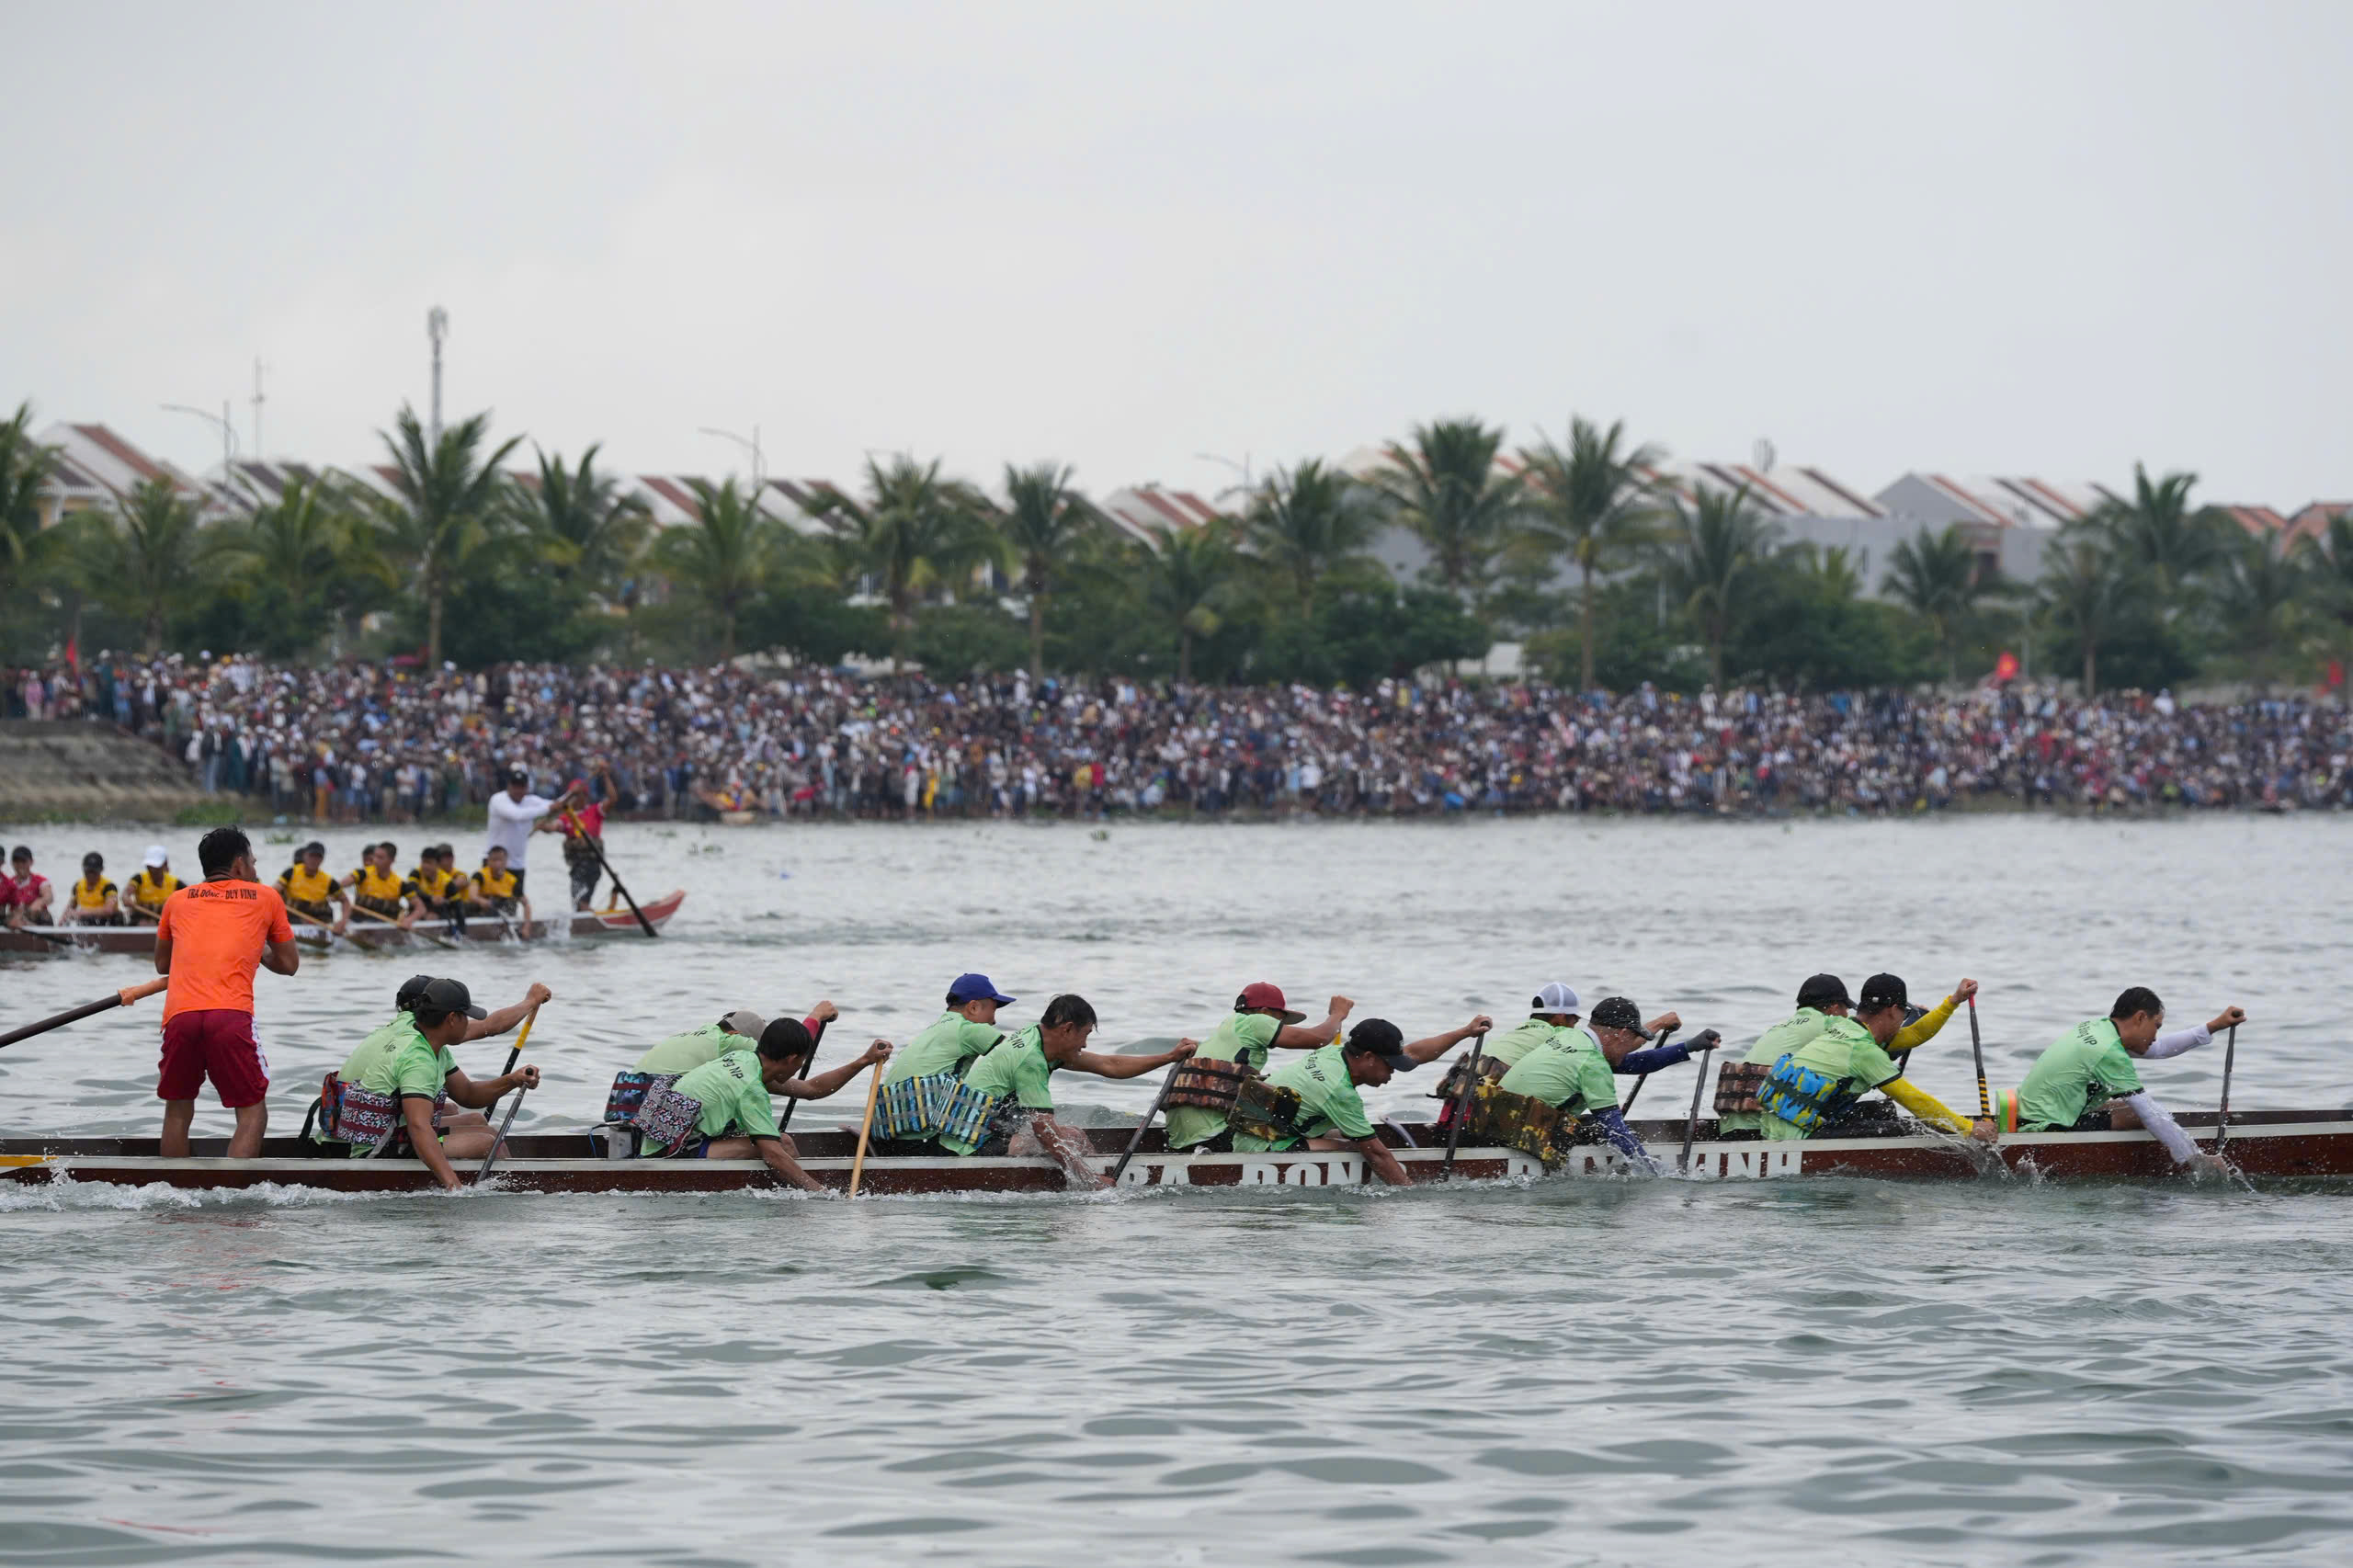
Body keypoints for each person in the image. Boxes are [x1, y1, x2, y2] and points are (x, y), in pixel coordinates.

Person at [935, 994, 1197, 1188]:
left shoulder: (1038, 1037)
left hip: (982, 1131)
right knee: (1071, 1140)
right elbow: (1044, 1131)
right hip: (971, 1145)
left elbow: (1109, 1065)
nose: (1085, 1044)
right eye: (1085, 1034)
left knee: (1073, 1137)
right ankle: (1097, 1186)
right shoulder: (1031, 1060)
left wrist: (1169, 1057)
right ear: (1067, 1029)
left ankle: (1094, 1180)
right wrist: (1088, 1179)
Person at [153, 824, 299, 1159]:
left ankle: (170, 1187)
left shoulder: (176, 900)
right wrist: (259, 949)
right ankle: (234, 1187)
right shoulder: (266, 897)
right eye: (253, 862)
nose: (255, 869)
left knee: (177, 1111)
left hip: (180, 1017)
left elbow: (162, 965)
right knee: (253, 1112)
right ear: (238, 865)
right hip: (231, 1017)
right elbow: (289, 964)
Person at [1996, 988, 2245, 1175]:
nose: (2155, 1035)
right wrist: (2197, 1160)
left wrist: (2215, 1026)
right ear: (2140, 1018)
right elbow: (2150, 1114)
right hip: (2044, 1129)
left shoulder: (2098, 1028)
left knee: (2127, 1107)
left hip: (2033, 1113)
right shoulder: (2109, 1052)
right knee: (2143, 1113)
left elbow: (2159, 1049)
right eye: (2156, 1026)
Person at [631, 1018, 893, 1193]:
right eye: (802, 1061)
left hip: (667, 1141)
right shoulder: (751, 1087)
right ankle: (797, 1196)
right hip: (668, 1155)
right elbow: (773, 1155)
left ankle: (795, 1188)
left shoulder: (744, 1059)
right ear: (791, 1058)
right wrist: (822, 1194)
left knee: (781, 1143)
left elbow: (811, 1089)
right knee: (782, 1147)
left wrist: (864, 1060)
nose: (800, 1067)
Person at [1716, 973, 1981, 1138]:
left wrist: (1952, 1001)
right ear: (1892, 1010)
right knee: (1904, 1130)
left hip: (1776, 1127)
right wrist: (1969, 1129)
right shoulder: (1864, 1051)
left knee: (1882, 1113)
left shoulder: (1840, 1026)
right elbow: (1915, 1100)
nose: (1903, 1021)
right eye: (1903, 1014)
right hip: (1795, 1137)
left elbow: (1914, 1035)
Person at [323, 974, 554, 1149]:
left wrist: (512, 1080)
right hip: (362, 1143)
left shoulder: (395, 1030)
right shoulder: (418, 1041)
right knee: (482, 1139)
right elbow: (489, 1026)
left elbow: (467, 1094)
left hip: (343, 1133)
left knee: (454, 1110)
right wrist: (530, 1002)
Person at [366, 977, 542, 1189]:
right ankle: (516, 1191)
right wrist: (454, 1187)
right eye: (465, 1017)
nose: (468, 1023)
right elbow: (419, 1127)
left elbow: (468, 1094)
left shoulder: (430, 1044)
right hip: (379, 1148)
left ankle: (512, 1187)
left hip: (395, 1135)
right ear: (451, 1019)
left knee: (482, 1125)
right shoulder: (418, 1059)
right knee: (487, 1144)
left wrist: (513, 1080)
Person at [1162, 983, 1357, 1154]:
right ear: (1264, 1013)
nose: (1281, 1026)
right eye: (1279, 1021)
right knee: (1317, 1124)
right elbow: (1319, 1039)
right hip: (1215, 1139)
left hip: (1180, 1142)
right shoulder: (1254, 1022)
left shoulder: (1225, 1032)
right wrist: (1337, 1014)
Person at [1491, 996, 1682, 1171]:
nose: (1628, 1049)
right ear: (1622, 1034)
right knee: (1603, 1129)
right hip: (1518, 1135)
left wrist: (1688, 1048)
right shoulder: (1592, 1063)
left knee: (1591, 1125)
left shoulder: (1565, 1035)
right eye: (1633, 1040)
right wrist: (1652, 1170)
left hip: (1493, 1124)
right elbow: (1615, 1129)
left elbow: (1635, 1063)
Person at [1229, 1017, 1420, 1187]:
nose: (1393, 1072)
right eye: (1390, 1064)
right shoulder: (1339, 1091)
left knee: (1357, 1137)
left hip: (1251, 1134)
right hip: (1262, 1148)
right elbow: (1376, 1155)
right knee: (1358, 1148)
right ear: (1368, 1057)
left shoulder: (1332, 1053)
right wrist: (1409, 1193)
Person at [605, 1001, 838, 1126]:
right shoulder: (733, 1043)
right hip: (651, 1113)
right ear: (736, 1034)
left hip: (624, 1108)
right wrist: (816, 1015)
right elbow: (789, 1048)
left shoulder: (702, 1034)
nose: (765, 1052)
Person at [540, 775, 608, 911]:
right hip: (576, 869)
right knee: (577, 903)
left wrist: (605, 775)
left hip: (592, 866)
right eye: (573, 796)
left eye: (578, 795)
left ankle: (589, 918)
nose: (575, 799)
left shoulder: (594, 811)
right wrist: (543, 826)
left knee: (581, 902)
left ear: (585, 796)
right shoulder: (566, 817)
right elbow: (553, 827)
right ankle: (586, 918)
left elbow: (613, 799)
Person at [486, 764, 554, 888]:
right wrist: (549, 808)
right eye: (515, 786)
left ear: (527, 788)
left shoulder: (531, 801)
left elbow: (559, 803)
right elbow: (517, 815)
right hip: (495, 865)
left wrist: (574, 792)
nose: (518, 790)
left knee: (515, 901)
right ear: (509, 786)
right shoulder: (498, 800)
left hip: (518, 866)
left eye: (521, 787)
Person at [275, 841, 350, 935]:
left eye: (318, 857)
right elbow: (274, 891)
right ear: (304, 856)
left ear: (322, 860)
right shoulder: (291, 873)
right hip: (293, 919)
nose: (314, 860)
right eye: (311, 856)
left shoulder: (328, 881)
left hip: (319, 922)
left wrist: (343, 921)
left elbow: (345, 901)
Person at [341, 841, 420, 931]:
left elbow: (420, 908)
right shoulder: (362, 873)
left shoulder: (400, 884)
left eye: (380, 857)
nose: (375, 860)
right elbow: (340, 885)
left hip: (385, 927)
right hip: (359, 925)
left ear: (392, 860)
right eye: (375, 856)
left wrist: (409, 920)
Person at [468, 845, 532, 927]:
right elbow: (472, 896)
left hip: (503, 910)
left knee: (510, 902)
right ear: (488, 861)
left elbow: (526, 905)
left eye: (500, 860)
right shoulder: (479, 875)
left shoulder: (512, 881)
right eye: (494, 860)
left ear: (506, 862)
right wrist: (481, 901)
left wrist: (526, 928)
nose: (497, 864)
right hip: (483, 910)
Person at [122, 846, 185, 925]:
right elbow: (126, 893)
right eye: (149, 867)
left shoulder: (176, 883)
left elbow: (192, 899)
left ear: (164, 864)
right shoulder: (139, 879)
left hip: (166, 921)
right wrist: (126, 898)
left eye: (155, 867)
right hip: (142, 920)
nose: (152, 870)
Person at [58, 852, 122, 926]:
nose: (91, 875)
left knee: (118, 916)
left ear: (102, 870)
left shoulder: (109, 887)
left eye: (94, 872)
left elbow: (109, 910)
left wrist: (84, 912)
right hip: (86, 921)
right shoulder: (77, 886)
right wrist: (61, 923)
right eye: (88, 871)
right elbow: (69, 908)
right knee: (74, 919)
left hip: (106, 921)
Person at [2, 845, 53, 928]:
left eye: (23, 861)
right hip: (16, 919)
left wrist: (38, 903)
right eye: (16, 861)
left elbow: (49, 897)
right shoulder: (8, 883)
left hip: (37, 918)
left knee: (44, 915)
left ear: (31, 862)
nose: (20, 865)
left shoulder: (40, 881)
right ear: (12, 863)